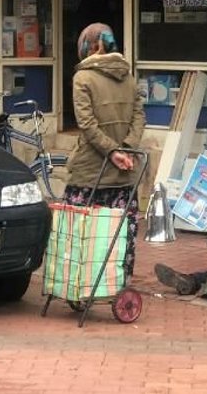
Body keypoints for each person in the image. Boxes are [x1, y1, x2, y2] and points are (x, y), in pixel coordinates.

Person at [64, 22, 146, 280]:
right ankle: (116, 284)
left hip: (90, 173)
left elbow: (86, 124)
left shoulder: (82, 78)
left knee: (81, 233)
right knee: (120, 235)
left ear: (90, 46)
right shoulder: (129, 78)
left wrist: (112, 152)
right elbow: (139, 117)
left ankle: (81, 285)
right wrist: (127, 149)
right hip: (125, 173)